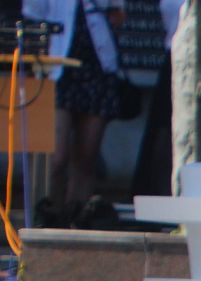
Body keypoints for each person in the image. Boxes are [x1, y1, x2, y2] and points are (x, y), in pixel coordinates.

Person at [24, 0, 128, 229]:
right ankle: (50, 215)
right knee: (56, 156)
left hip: (97, 66)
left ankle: (77, 218)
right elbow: (31, 17)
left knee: (86, 156)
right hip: (56, 68)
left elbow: (119, 14)